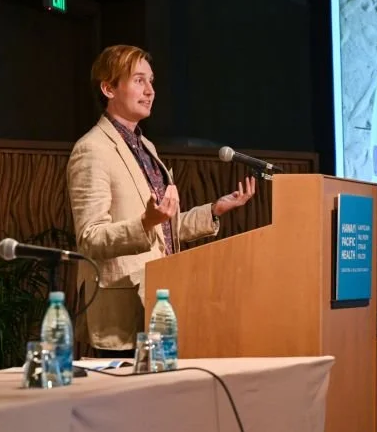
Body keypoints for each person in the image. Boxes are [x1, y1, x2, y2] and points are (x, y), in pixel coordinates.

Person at [68, 45, 256, 358]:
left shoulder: (146, 147)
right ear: (108, 88)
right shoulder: (92, 150)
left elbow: (163, 230)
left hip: (160, 306)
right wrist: (145, 223)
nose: (150, 91)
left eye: (151, 81)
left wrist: (215, 209)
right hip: (125, 318)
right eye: (139, 80)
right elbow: (90, 238)